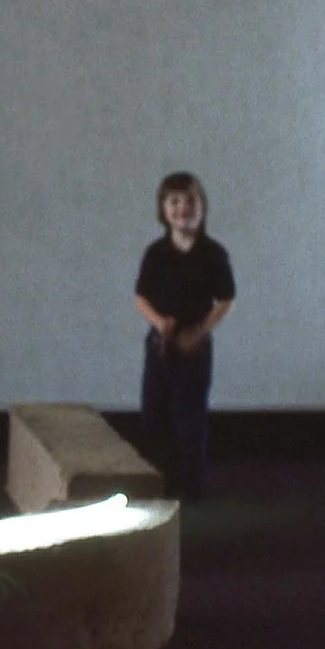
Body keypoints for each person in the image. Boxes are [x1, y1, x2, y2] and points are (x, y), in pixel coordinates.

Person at [133, 171, 235, 503]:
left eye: (190, 201)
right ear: (163, 210)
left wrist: (200, 330)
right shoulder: (155, 253)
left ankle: (190, 489)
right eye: (174, 201)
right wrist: (159, 323)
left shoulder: (213, 253)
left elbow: (225, 299)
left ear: (202, 206)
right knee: (154, 415)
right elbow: (141, 297)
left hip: (194, 347)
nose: (182, 208)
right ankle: (157, 484)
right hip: (160, 345)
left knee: (189, 419)